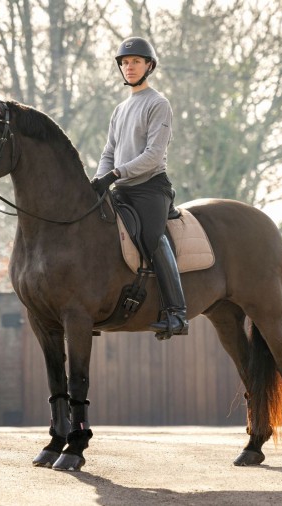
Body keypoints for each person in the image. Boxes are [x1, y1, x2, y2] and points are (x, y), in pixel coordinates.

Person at [91, 36, 188, 338]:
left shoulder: (159, 104)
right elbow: (109, 151)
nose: (128, 67)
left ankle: (177, 313)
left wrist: (116, 173)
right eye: (124, 62)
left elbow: (153, 156)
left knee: (151, 236)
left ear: (149, 66)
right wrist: (99, 179)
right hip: (121, 187)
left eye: (135, 61)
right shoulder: (120, 110)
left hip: (150, 187)